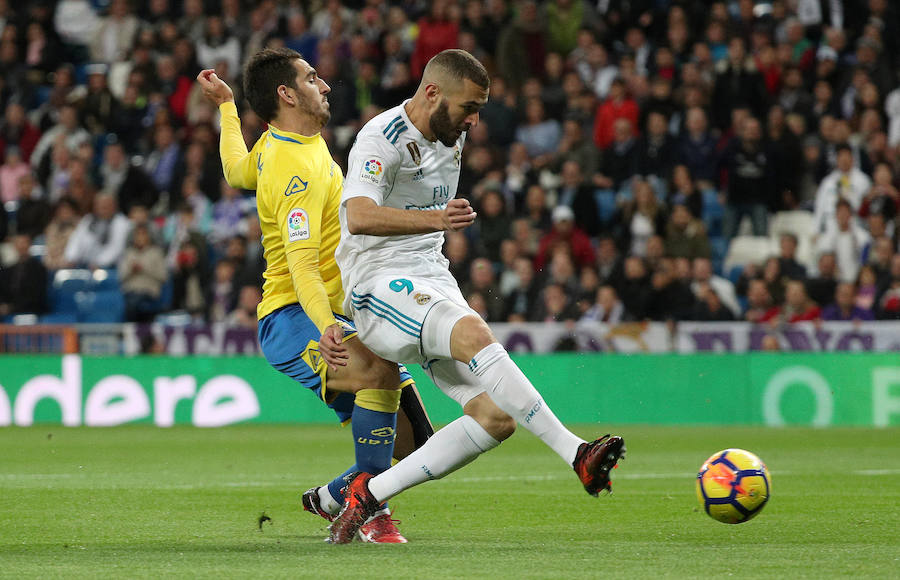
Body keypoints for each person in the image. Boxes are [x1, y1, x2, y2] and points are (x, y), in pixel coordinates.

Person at [324, 49, 624, 543]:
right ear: (432, 92)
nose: (474, 120)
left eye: (479, 108)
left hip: (431, 280)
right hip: (377, 284)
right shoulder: (382, 138)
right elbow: (357, 215)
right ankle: (576, 452)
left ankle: (370, 495)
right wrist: (435, 219)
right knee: (473, 332)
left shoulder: (452, 135)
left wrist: (434, 233)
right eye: (468, 107)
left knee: (495, 418)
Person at [197, 49, 434, 544]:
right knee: (378, 371)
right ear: (287, 94)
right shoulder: (295, 169)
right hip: (293, 317)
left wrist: (225, 107)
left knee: (417, 449)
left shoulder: (279, 144)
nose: (324, 85)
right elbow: (301, 264)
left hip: (329, 311)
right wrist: (328, 323)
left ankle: (334, 497)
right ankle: (370, 512)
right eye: (311, 78)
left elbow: (238, 171)